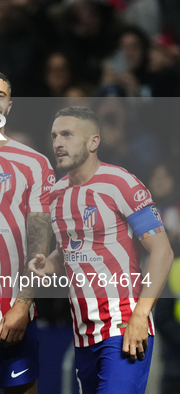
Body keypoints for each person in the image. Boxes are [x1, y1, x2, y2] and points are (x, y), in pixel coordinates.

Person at [29, 106, 174, 394]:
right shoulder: (56, 194)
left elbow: (163, 252)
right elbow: (70, 250)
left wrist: (140, 316)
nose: (58, 142)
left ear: (93, 142)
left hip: (124, 326)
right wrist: (48, 264)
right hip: (83, 333)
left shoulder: (122, 183)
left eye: (67, 135)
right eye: (54, 135)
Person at [0, 69, 54, 394]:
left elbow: (41, 243)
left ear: (9, 107)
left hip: (9, 308)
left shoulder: (33, 163)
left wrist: (23, 304)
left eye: (0, 96)